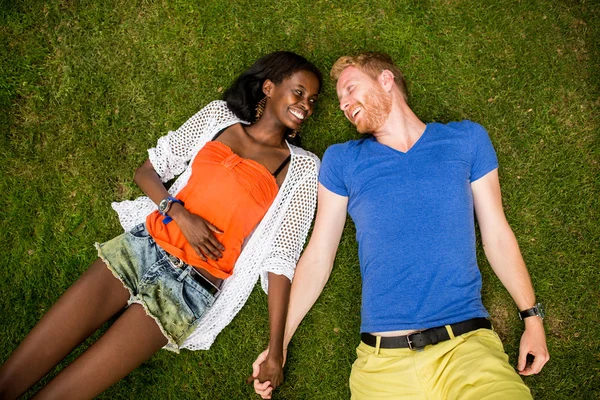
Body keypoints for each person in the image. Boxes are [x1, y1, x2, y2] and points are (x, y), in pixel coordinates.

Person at [0, 51, 322, 399]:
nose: (306, 105)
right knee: (16, 372)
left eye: (312, 100)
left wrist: (276, 350)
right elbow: (147, 171)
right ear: (270, 87)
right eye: (299, 92)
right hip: (141, 247)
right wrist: (180, 214)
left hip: (189, 289)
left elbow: (281, 258)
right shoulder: (218, 118)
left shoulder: (301, 169)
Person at [251, 52, 549, 399]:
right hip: (382, 367)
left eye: (350, 89)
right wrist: (280, 345)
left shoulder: (465, 140)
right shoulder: (343, 160)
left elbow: (496, 235)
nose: (344, 104)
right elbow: (318, 257)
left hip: (468, 352)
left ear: (386, 80)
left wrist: (532, 317)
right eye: (340, 100)